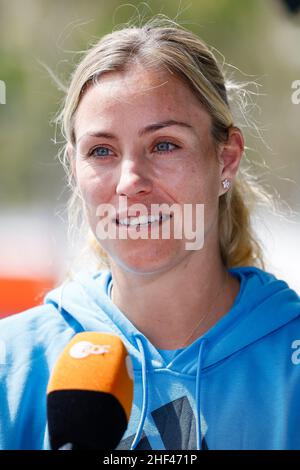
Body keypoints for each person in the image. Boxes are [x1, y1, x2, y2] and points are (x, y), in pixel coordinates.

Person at [0, 16, 299, 451]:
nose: (129, 181)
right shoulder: (13, 365)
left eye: (163, 145)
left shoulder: (287, 358)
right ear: (73, 168)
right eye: (101, 151)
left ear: (227, 158)